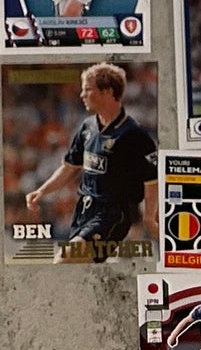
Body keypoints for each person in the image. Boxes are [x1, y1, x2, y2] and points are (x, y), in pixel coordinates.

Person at [22, 60, 154, 252]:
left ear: (107, 92)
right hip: (86, 213)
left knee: (66, 257)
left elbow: (151, 179)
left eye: (87, 89)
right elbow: (69, 167)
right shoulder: (87, 127)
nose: (82, 94)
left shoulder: (134, 134)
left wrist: (148, 217)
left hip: (114, 216)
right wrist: (42, 191)